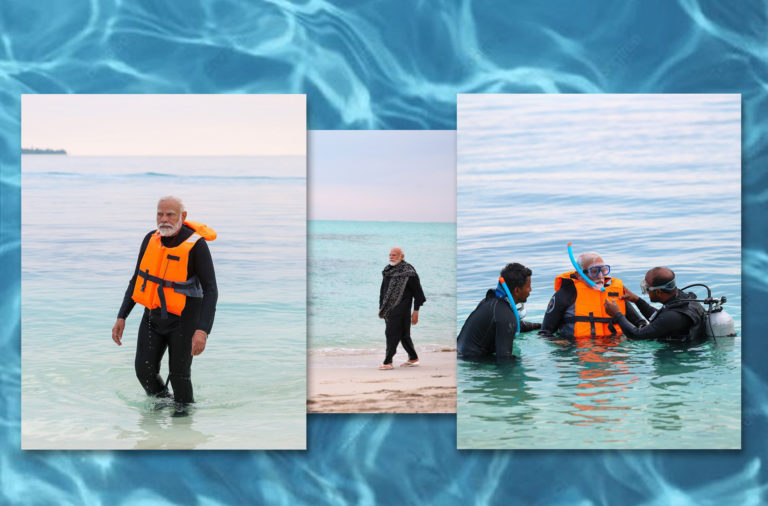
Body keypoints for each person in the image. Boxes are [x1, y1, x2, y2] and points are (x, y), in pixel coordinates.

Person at [111, 196, 218, 416]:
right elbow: (137, 279)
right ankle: (162, 408)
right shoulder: (150, 239)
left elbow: (211, 290)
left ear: (183, 216)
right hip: (152, 316)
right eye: (160, 214)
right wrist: (122, 316)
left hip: (184, 319)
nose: (164, 219)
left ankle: (183, 423)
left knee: (180, 376)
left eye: (170, 214)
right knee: (143, 371)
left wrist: (202, 330)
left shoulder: (196, 245)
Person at [540, 251, 645, 338]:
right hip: (577, 351)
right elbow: (544, 333)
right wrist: (559, 343)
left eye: (603, 270)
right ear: (579, 275)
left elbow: (641, 324)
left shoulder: (615, 293)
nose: (600, 276)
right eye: (594, 271)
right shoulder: (566, 294)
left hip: (614, 351)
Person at [457, 263, 541, 360]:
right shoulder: (505, 315)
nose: (530, 290)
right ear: (517, 291)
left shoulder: (491, 302)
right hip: (471, 362)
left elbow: (511, 325)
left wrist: (540, 326)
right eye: (528, 286)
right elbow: (504, 360)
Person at [605, 266, 705, 341]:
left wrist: (617, 315)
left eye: (647, 288)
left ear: (658, 292)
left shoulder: (672, 316)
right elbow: (659, 318)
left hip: (678, 357)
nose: (647, 292)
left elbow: (637, 335)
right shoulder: (684, 299)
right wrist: (637, 300)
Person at [378, 247, 426, 370]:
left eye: (394, 255)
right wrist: (381, 307)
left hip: (402, 309)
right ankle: (413, 358)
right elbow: (383, 290)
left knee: (391, 334)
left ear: (402, 256)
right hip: (388, 309)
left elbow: (418, 294)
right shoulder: (387, 270)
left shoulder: (409, 272)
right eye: (390, 255)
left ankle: (388, 362)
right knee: (404, 335)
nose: (391, 257)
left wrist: (416, 311)